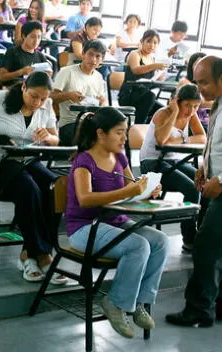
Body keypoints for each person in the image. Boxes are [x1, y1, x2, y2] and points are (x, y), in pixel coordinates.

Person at [166, 57, 222, 327]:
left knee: (206, 247)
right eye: (196, 82)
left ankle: (199, 310)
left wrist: (221, 179)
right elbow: (221, 143)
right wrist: (205, 167)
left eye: (204, 82)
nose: (199, 88)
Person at [66, 107, 167, 338]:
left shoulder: (119, 157)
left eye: (125, 133)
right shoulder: (84, 161)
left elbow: (129, 191)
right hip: (84, 228)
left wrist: (146, 190)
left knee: (160, 241)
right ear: (101, 134)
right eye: (119, 132)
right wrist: (129, 190)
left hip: (114, 221)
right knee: (138, 246)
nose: (124, 138)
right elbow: (85, 199)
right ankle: (115, 302)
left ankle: (140, 301)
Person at [0, 71, 67, 283]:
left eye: (43, 98)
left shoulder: (45, 105)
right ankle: (42, 255)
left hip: (25, 162)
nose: (38, 102)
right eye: (34, 96)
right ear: (24, 87)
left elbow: (56, 140)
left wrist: (49, 137)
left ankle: (29, 253)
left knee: (56, 186)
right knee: (28, 188)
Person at [139, 84, 206, 252]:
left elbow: (202, 137)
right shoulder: (163, 113)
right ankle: (189, 238)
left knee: (203, 183)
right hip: (152, 162)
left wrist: (181, 140)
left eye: (196, 106)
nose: (191, 110)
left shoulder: (191, 115)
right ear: (178, 102)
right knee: (193, 188)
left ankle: (202, 231)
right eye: (187, 105)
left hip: (172, 160)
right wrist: (175, 111)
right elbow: (161, 140)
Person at [52, 40, 108, 146]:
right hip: (70, 123)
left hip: (91, 122)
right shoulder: (66, 72)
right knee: (93, 140)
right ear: (83, 54)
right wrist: (68, 95)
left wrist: (102, 102)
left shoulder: (99, 77)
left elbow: (102, 103)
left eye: (98, 56)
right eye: (90, 54)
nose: (93, 59)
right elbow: (51, 97)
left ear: (102, 60)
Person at [118, 29, 167, 124]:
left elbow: (156, 79)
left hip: (144, 96)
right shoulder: (134, 54)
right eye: (148, 41)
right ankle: (138, 127)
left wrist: (162, 73)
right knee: (150, 97)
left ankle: (146, 129)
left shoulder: (152, 59)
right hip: (129, 95)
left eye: (155, 43)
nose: (152, 45)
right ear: (142, 41)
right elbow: (136, 70)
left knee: (164, 111)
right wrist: (155, 66)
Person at [0, 21, 53, 88]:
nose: (36, 41)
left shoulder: (40, 56)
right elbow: (2, 77)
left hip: (33, 90)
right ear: (24, 36)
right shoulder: (12, 52)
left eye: (39, 37)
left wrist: (47, 75)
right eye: (33, 37)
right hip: (14, 89)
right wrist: (21, 72)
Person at [178, 52, 211, 132]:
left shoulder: (209, 83)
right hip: (189, 117)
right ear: (191, 66)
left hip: (207, 118)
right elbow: (199, 103)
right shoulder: (185, 82)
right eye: (197, 64)